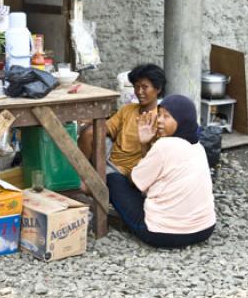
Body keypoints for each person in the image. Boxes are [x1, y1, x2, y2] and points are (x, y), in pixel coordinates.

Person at [107, 94, 215, 248]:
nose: (160, 120)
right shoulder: (198, 147)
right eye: (160, 115)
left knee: (114, 180)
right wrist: (145, 144)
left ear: (182, 120)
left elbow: (135, 181)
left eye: (167, 116)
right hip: (205, 229)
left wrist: (144, 147)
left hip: (163, 235)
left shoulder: (164, 146)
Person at [78, 63, 166, 176]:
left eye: (145, 87)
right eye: (136, 87)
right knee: (89, 132)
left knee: (112, 177)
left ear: (158, 89)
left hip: (129, 169)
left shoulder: (159, 119)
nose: (139, 92)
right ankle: (77, 174)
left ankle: (93, 181)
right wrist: (92, 121)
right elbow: (107, 128)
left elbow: (154, 158)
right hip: (112, 156)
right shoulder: (128, 109)